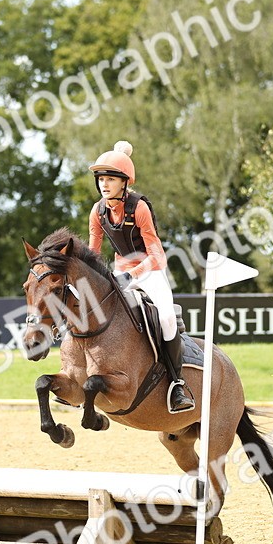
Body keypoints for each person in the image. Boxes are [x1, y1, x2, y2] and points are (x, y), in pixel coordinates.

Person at [87, 140, 195, 413]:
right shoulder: (97, 211)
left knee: (166, 317)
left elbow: (157, 254)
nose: (104, 184)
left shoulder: (139, 208)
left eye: (110, 179)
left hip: (149, 270)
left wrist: (132, 275)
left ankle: (177, 384)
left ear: (124, 182)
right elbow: (93, 254)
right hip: (120, 271)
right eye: (101, 179)